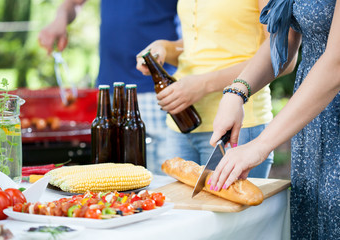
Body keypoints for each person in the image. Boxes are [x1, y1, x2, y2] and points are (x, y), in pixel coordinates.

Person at [208, 0, 340, 238]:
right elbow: (284, 40)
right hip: (312, 116)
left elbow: (336, 64)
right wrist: (236, 92)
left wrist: (260, 144)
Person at [136, 0, 295, 178]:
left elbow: (283, 55)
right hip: (180, 124)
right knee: (180, 206)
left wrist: (203, 84)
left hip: (237, 128)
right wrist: (164, 47)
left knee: (228, 206)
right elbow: (202, 47)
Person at [38, 0, 181, 175]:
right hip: (110, 88)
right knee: (115, 176)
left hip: (154, 89)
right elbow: (74, 3)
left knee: (163, 176)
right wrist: (59, 19)